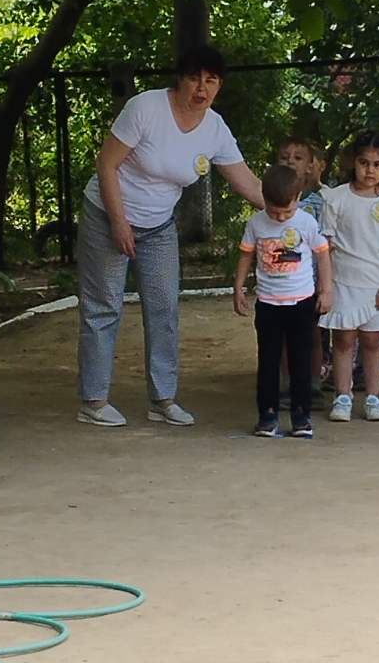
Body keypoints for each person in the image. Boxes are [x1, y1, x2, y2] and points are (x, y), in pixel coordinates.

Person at [78, 46, 264, 428]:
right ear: (179, 79)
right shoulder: (145, 108)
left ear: (220, 85)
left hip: (159, 224)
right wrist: (119, 222)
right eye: (194, 78)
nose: (202, 88)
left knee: (164, 307)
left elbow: (246, 181)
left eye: (211, 80)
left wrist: (292, 208)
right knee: (104, 305)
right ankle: (94, 400)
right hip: (107, 214)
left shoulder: (215, 128)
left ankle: (162, 399)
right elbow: (106, 164)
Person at [233, 163, 333, 438]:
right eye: (273, 211)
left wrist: (326, 290)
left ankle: (301, 417)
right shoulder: (256, 223)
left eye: (286, 212)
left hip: (301, 302)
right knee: (268, 361)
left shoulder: (306, 222)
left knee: (301, 360)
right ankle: (267, 416)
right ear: (264, 200)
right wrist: (239, 286)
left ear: (298, 198)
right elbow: (246, 254)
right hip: (268, 303)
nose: (279, 217)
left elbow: (322, 254)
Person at [319, 131, 379, 424]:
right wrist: (326, 285)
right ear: (353, 162)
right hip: (343, 282)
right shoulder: (336, 198)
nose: (370, 170)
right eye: (364, 163)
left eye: (377, 164)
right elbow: (325, 245)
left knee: (372, 340)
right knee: (343, 340)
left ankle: (373, 397)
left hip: (376, 284)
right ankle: (342, 396)